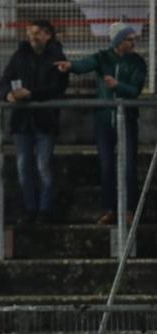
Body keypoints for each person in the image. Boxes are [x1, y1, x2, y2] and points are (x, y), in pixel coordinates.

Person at [56, 22, 146, 225]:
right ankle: (109, 209)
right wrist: (70, 66)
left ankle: (130, 209)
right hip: (105, 120)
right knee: (106, 165)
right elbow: (85, 64)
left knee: (129, 166)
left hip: (127, 120)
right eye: (129, 39)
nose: (133, 43)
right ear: (118, 41)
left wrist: (118, 86)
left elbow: (135, 91)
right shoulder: (103, 57)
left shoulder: (138, 62)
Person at [0, 20, 68, 224]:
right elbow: (4, 80)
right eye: (30, 32)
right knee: (23, 167)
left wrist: (31, 94)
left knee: (43, 165)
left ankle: (44, 209)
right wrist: (8, 95)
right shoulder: (19, 55)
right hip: (22, 121)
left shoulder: (57, 57)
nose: (32, 36)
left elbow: (58, 87)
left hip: (45, 121)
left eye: (37, 32)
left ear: (48, 35)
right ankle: (30, 208)